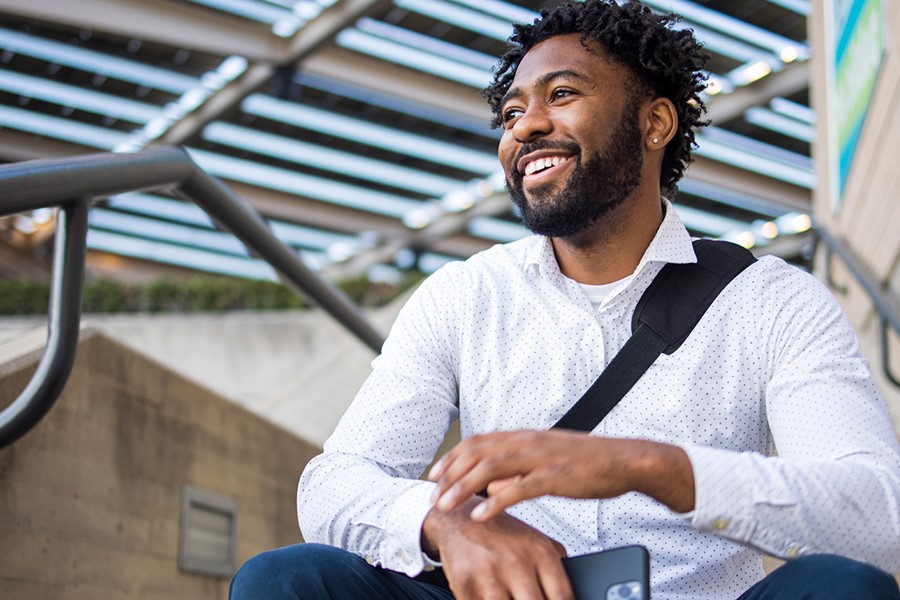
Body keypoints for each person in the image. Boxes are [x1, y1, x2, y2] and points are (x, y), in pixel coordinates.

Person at [230, 1, 900, 598]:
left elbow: (879, 516)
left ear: (655, 123)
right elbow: (333, 483)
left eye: (562, 94)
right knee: (285, 581)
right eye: (512, 112)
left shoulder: (771, 301)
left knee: (842, 587)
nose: (525, 127)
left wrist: (649, 467)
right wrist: (442, 523)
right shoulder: (465, 295)